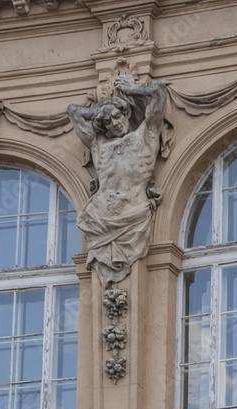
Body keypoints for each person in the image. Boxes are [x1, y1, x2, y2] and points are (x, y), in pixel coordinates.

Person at [67, 75, 168, 287]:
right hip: (99, 219)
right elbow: (73, 111)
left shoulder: (146, 135)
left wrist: (132, 89)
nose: (114, 123)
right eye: (108, 121)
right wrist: (100, 111)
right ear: (102, 125)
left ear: (126, 112)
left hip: (134, 214)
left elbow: (159, 91)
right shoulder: (98, 145)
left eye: (116, 116)